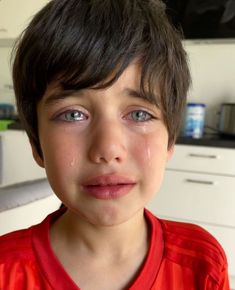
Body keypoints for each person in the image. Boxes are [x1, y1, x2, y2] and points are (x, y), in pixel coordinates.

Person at [0, 0, 230, 289]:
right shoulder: (5, 270)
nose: (108, 149)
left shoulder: (201, 263)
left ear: (170, 140)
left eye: (139, 114)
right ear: (36, 143)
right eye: (73, 114)